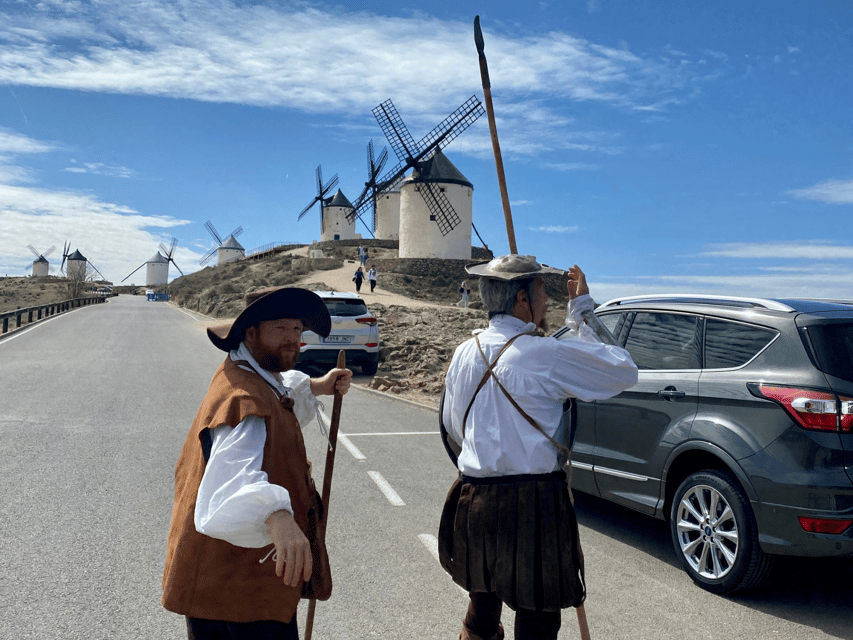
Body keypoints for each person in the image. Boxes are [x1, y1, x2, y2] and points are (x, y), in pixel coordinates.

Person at [438, 255, 638, 640]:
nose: (548, 302)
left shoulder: (465, 351)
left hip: (474, 499)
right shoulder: (544, 354)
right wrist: (582, 308)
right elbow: (623, 369)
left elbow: (453, 426)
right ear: (521, 299)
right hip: (532, 505)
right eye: (543, 292)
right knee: (538, 621)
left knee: (481, 614)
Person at [162, 287, 353, 640]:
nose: (292, 340)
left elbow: (282, 393)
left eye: (297, 330)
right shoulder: (243, 399)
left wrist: (318, 386)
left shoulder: (250, 374)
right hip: (237, 594)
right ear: (251, 332)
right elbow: (232, 477)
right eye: (281, 329)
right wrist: (278, 516)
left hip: (234, 586)